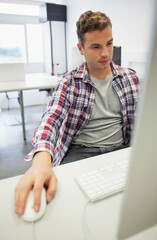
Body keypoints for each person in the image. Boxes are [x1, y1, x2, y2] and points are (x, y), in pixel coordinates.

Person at [15, 10, 140, 216]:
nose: (106, 54)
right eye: (96, 47)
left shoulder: (130, 78)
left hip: (121, 148)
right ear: (81, 49)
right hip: (81, 152)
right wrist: (41, 161)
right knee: (69, 207)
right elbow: (51, 120)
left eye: (109, 44)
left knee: (129, 205)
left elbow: (146, 119)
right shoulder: (69, 82)